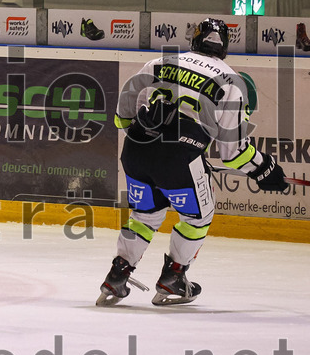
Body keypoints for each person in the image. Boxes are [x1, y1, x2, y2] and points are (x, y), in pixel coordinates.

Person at [98, 18, 288, 306]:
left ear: (195, 40)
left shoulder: (162, 61)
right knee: (198, 217)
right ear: (224, 47)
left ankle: (117, 275)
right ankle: (173, 277)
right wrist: (264, 169)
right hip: (180, 159)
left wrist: (146, 136)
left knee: (145, 216)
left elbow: (124, 111)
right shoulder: (231, 82)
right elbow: (233, 153)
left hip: (136, 150)